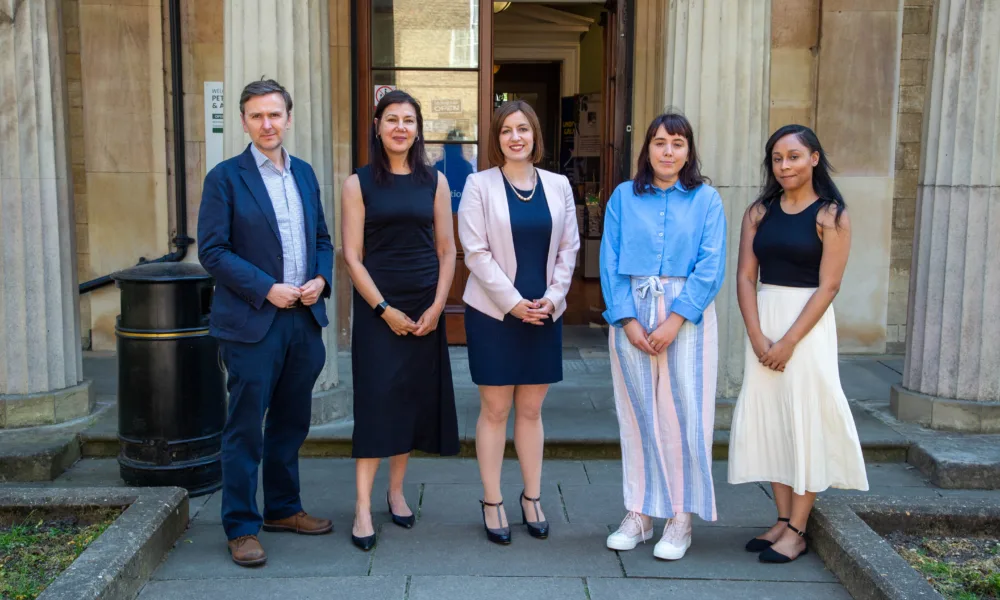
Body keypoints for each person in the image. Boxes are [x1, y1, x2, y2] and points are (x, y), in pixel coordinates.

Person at [198, 78, 334, 567]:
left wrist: (321, 277)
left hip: (303, 319)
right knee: (245, 428)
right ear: (244, 122)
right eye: (256, 116)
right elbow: (212, 251)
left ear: (289, 118)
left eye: (274, 114)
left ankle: (282, 508)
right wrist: (265, 287)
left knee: (291, 423)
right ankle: (240, 525)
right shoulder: (225, 178)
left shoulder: (304, 174)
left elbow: (322, 237)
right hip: (253, 322)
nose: (267, 124)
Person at [728, 124, 868, 564]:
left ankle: (798, 529)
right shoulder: (759, 212)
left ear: (813, 158)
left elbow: (829, 287)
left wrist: (787, 342)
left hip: (806, 329)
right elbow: (746, 276)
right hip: (764, 322)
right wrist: (755, 334)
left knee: (803, 419)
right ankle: (782, 518)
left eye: (793, 156)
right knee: (772, 419)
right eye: (776, 158)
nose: (784, 165)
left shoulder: (832, 215)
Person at [600, 113, 726, 561]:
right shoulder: (622, 197)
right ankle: (639, 512)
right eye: (659, 143)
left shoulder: (707, 200)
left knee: (684, 418)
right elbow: (610, 259)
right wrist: (627, 319)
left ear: (688, 150)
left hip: (686, 318)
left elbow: (711, 265)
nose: (668, 151)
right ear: (646, 150)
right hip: (633, 310)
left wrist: (675, 319)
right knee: (637, 417)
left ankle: (680, 517)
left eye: (677, 143)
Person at [341, 89, 460, 552]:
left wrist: (437, 307)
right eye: (391, 119)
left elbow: (447, 250)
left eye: (408, 120)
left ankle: (396, 492)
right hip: (379, 306)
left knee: (408, 399)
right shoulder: (359, 183)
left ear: (417, 128)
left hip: (423, 305)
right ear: (377, 125)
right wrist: (383, 310)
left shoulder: (435, 181)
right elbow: (352, 256)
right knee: (376, 401)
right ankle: (362, 507)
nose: (400, 128)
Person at [457, 100, 579, 545]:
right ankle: (493, 501)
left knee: (531, 410)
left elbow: (569, 248)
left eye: (523, 129)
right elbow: (475, 252)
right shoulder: (478, 185)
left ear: (535, 136)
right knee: (496, 410)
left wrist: (552, 298)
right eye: (507, 130)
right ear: (497, 138)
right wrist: (512, 303)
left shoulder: (559, 184)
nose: (515, 137)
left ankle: (532, 497)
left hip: (544, 313)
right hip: (494, 314)